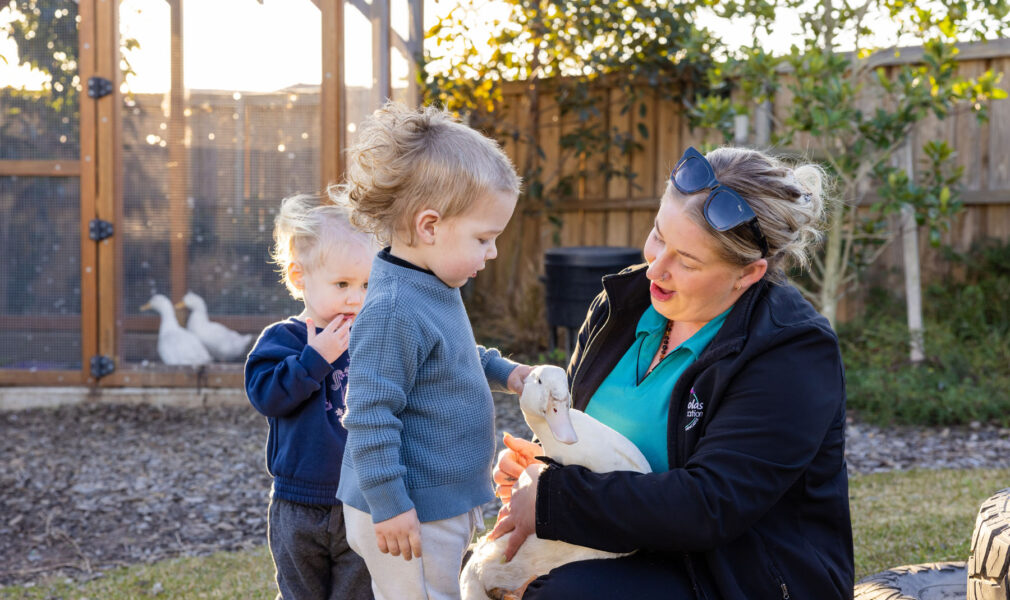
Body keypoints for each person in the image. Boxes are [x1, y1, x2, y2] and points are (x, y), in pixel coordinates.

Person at [490, 146, 854, 599]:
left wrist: (552, 500)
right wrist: (540, 470)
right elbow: (589, 442)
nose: (656, 268)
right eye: (659, 235)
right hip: (621, 552)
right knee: (463, 569)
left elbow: (709, 506)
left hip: (734, 576)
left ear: (748, 274)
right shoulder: (622, 306)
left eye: (688, 260)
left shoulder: (793, 351)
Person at [334, 102, 534, 600]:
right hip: (407, 507)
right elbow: (369, 415)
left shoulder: (431, 284)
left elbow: (454, 355)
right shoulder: (393, 308)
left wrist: (504, 371)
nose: (491, 252)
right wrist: (391, 504)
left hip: (433, 500)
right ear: (429, 226)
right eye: (484, 238)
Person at [245, 192, 376, 600]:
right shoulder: (283, 339)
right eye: (342, 284)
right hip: (298, 504)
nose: (356, 298)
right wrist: (314, 360)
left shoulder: (371, 338)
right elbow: (266, 395)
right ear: (301, 278)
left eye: (366, 284)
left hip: (361, 500)